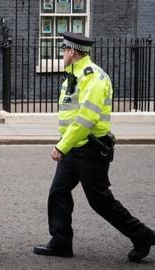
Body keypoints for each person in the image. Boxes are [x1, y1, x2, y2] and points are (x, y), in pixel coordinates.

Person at [33, 32, 155, 263]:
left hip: (90, 149)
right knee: (58, 193)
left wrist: (61, 146)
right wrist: (67, 145)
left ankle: (142, 236)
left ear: (72, 52)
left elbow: (86, 119)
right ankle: (60, 242)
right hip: (74, 148)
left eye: (63, 51)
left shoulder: (94, 78)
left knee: (100, 201)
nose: (62, 55)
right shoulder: (74, 75)